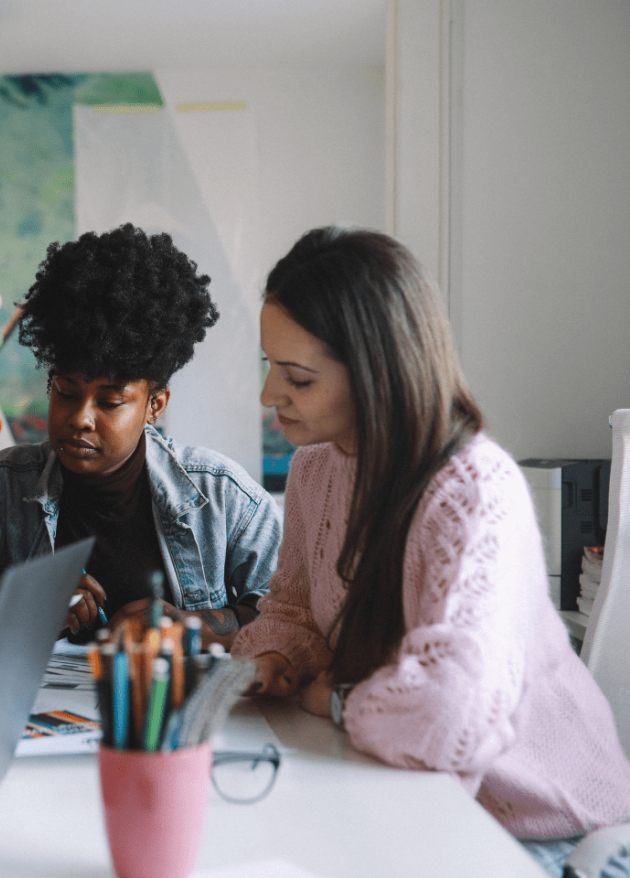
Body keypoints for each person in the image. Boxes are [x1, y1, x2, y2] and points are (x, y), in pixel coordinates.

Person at [235, 226, 630, 875]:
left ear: (373, 373)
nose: (269, 396)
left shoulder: (473, 491)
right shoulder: (314, 470)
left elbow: (451, 719)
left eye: (297, 378)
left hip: (549, 832)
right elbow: (294, 610)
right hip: (402, 788)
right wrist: (275, 655)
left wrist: (331, 697)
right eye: (268, 367)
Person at [0, 224, 282, 648]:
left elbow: (292, 610)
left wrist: (188, 628)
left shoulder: (221, 496)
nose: (81, 419)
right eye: (66, 393)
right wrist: (16, 605)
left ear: (156, 404)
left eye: (110, 402)